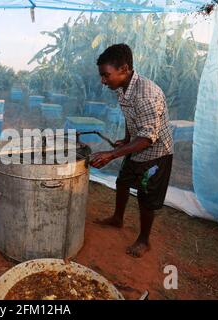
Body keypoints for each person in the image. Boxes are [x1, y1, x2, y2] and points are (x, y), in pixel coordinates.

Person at [90, 43, 174, 258]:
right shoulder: (122, 88)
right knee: (123, 181)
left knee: (146, 197)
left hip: (156, 154)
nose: (102, 80)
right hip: (136, 146)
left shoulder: (147, 94)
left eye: (106, 75)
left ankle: (144, 240)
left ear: (124, 69)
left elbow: (147, 138)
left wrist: (111, 154)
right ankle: (117, 219)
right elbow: (131, 117)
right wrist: (127, 140)